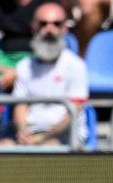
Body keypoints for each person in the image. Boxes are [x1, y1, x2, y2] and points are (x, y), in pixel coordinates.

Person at [8, 1, 88, 146]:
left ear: (64, 28)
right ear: (34, 26)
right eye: (43, 24)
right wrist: (23, 132)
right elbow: (20, 106)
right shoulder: (24, 66)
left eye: (56, 24)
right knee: (0, 149)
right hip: (30, 133)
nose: (49, 29)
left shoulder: (76, 66)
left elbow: (73, 112)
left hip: (65, 134)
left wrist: (41, 139)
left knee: (47, 151)